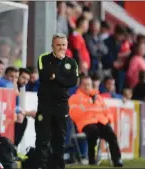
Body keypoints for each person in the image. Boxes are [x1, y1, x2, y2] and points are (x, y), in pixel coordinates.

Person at [35, 33, 79, 169]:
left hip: (62, 106)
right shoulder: (43, 58)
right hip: (45, 105)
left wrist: (57, 77)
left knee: (59, 140)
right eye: (58, 45)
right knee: (42, 139)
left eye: (63, 45)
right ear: (52, 46)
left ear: (67, 46)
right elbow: (45, 75)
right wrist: (60, 70)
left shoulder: (72, 62)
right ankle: (41, 166)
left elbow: (73, 82)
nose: (61, 48)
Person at [68, 75, 123, 167]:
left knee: (111, 135)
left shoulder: (98, 97)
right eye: (85, 85)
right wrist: (89, 112)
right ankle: (92, 160)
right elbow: (74, 114)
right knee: (93, 133)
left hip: (101, 121)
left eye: (89, 84)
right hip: (86, 122)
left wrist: (109, 119)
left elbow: (107, 110)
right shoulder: (74, 98)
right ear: (80, 86)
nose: (87, 87)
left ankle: (117, 159)